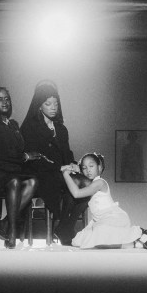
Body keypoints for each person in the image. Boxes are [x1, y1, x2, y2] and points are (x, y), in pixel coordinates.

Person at [0, 86, 47, 249]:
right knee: (13, 182)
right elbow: (0, 152)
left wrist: (25, 154)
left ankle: (5, 223)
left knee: (33, 182)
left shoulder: (13, 125)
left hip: (10, 169)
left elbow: (18, 148)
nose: (4, 102)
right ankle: (12, 231)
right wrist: (25, 156)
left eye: (7, 99)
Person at [20, 80, 88, 245]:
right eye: (48, 103)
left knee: (87, 183)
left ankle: (65, 225)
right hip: (40, 172)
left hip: (61, 172)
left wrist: (73, 164)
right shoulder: (30, 127)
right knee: (76, 182)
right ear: (39, 106)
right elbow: (33, 158)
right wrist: (59, 167)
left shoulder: (61, 129)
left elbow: (67, 154)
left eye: (56, 103)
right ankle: (62, 226)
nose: (53, 107)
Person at [61, 153, 147, 250]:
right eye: (84, 168)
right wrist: (72, 168)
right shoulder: (89, 183)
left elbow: (76, 194)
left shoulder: (99, 183)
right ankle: (132, 242)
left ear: (99, 167)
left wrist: (65, 174)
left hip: (113, 218)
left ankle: (135, 237)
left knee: (98, 236)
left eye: (91, 166)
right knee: (79, 241)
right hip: (100, 220)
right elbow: (76, 174)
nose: (88, 170)